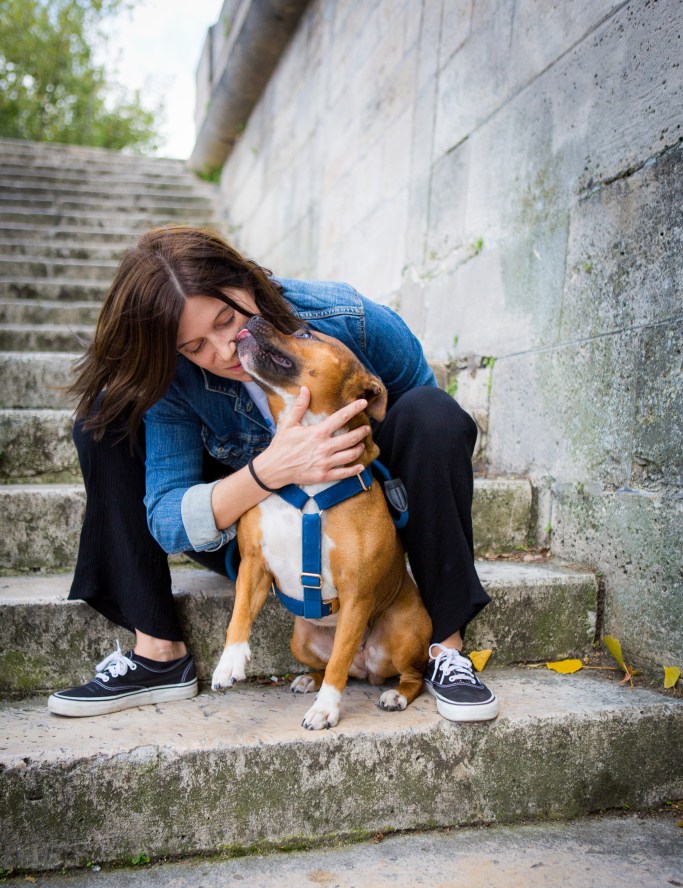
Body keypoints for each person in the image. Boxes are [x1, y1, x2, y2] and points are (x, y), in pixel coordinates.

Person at [47, 226, 497, 723]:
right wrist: (267, 472)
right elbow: (170, 522)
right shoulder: (174, 379)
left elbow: (430, 438)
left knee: (434, 412)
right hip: (259, 535)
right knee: (103, 419)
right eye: (194, 346)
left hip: (357, 525)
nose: (223, 351)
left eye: (226, 319)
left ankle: (446, 649)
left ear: (247, 280)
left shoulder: (346, 317)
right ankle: (158, 653)